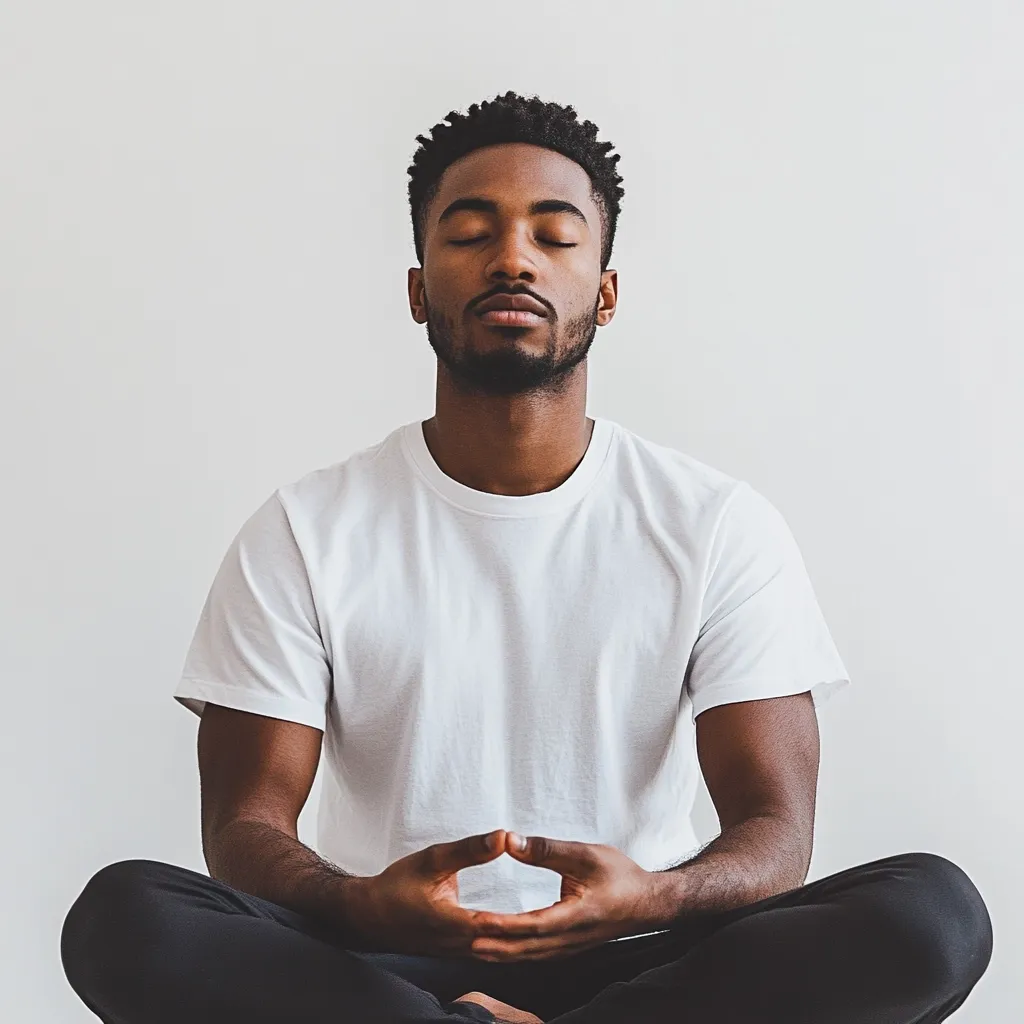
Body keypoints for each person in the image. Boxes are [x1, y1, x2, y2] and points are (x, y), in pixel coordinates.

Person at [60, 91, 993, 1024]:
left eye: (555, 235)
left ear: (606, 290)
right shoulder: (305, 528)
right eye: (470, 233)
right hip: (384, 964)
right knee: (126, 917)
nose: (513, 258)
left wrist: (653, 896)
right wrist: (358, 901)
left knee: (932, 915)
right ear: (420, 286)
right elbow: (244, 827)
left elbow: (777, 835)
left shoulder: (716, 524)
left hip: (642, 958)